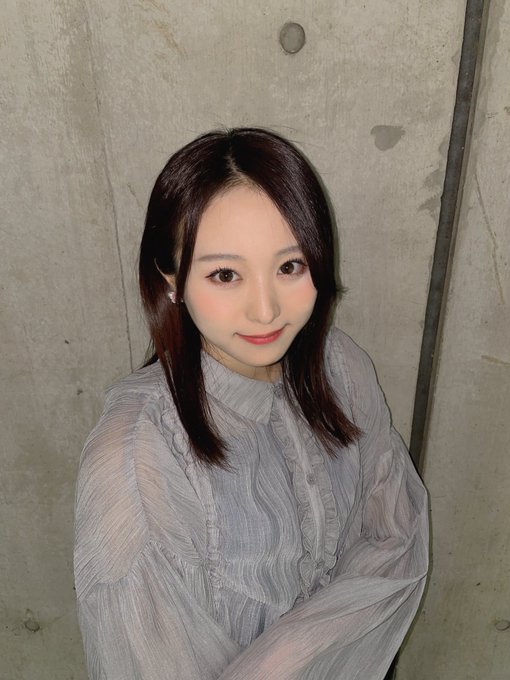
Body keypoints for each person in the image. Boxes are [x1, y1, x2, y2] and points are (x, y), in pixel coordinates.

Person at [74, 127, 428, 680]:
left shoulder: (341, 367)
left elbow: (395, 536)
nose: (266, 311)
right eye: (225, 274)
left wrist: (301, 651)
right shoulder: (137, 461)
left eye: (289, 267)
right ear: (171, 279)